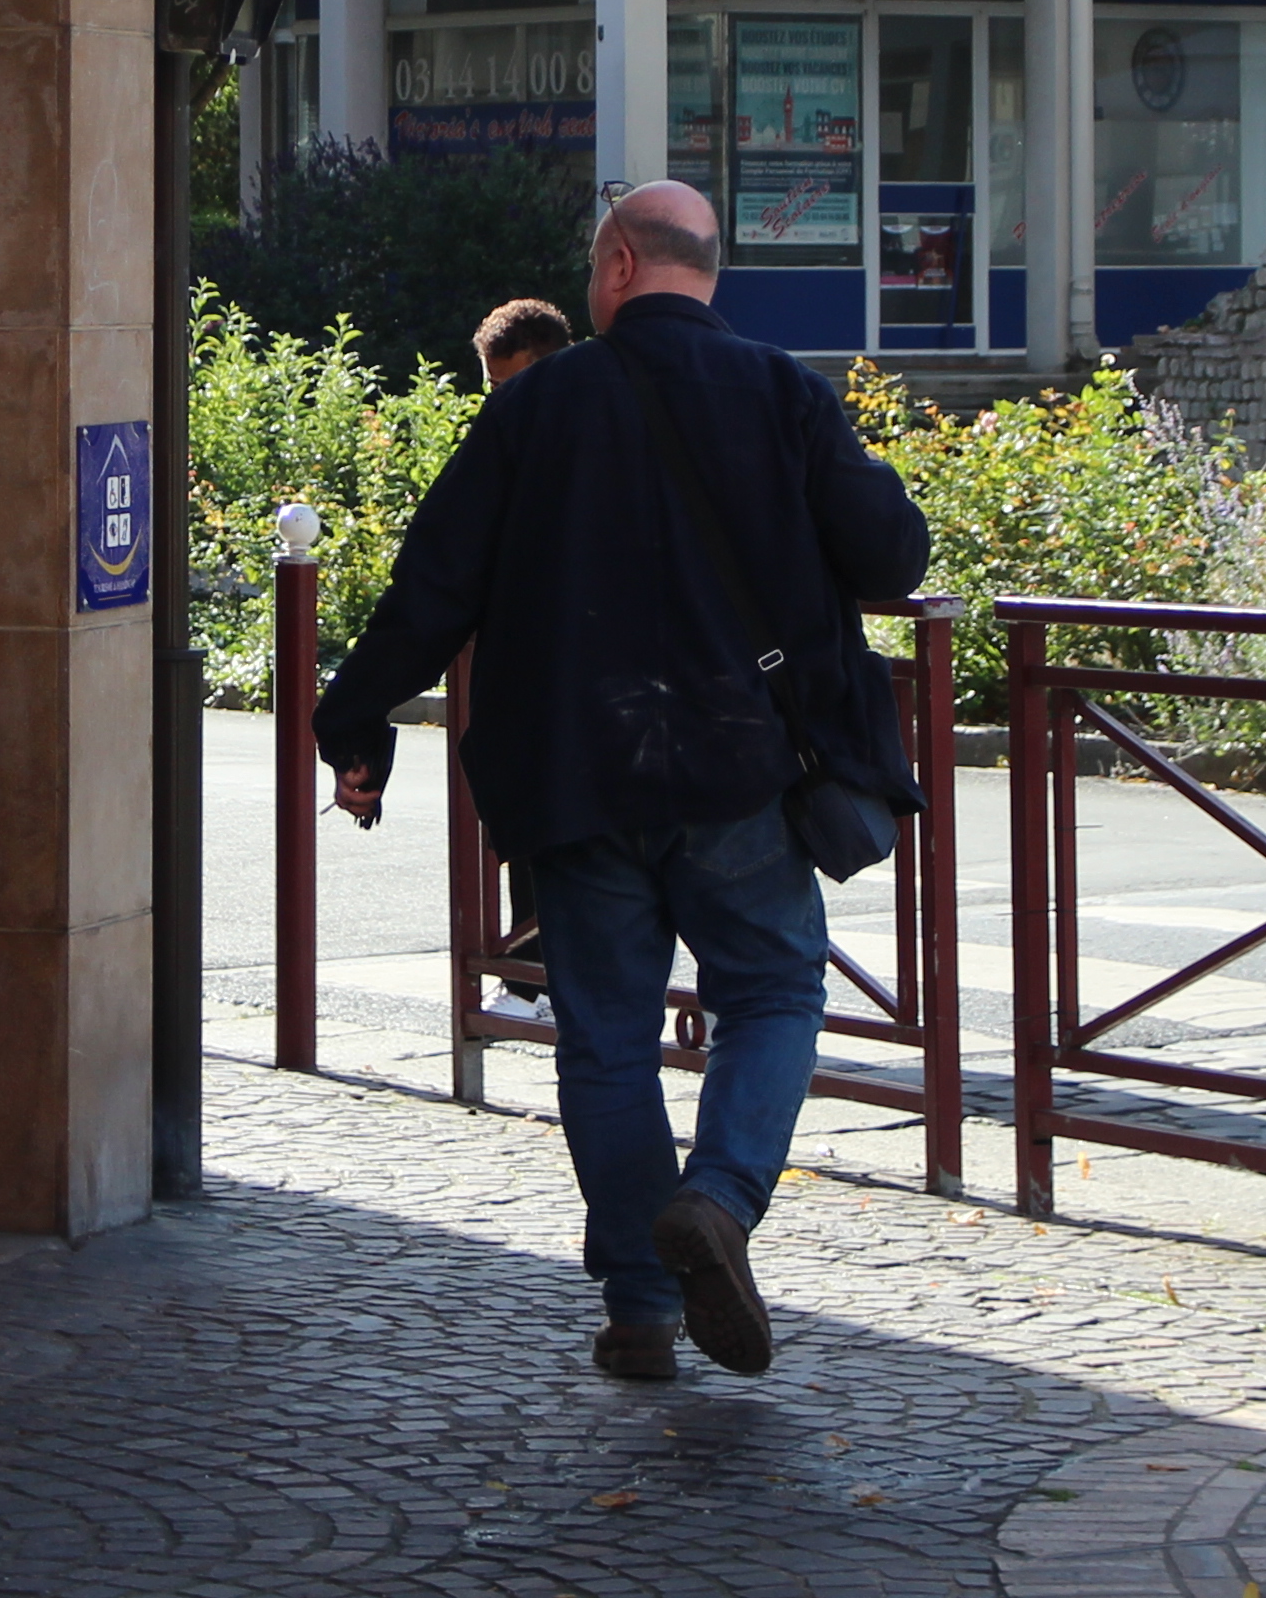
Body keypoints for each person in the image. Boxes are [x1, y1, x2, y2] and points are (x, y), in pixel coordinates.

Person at [316, 183, 930, 1384]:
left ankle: (643, 1308)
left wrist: (353, 720)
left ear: (617, 267)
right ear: (708, 271)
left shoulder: (534, 408)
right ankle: (720, 1200)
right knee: (773, 993)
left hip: (575, 775)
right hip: (741, 771)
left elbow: (431, 589)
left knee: (603, 1040)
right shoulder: (784, 393)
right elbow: (893, 556)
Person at [461, 295, 577, 1018]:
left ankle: (719, 996)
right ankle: (528, 981)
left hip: (589, 669)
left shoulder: (595, 425)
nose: (500, 402)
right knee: (529, 826)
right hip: (534, 667)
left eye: (512, 385)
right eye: (492, 387)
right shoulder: (508, 436)